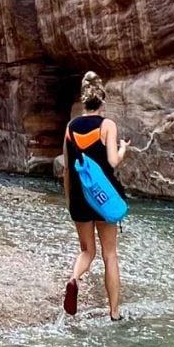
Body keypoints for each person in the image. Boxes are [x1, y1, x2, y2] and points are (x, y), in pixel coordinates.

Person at [62, 71, 129, 320]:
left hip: (80, 197)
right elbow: (113, 161)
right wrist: (123, 149)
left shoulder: (70, 128)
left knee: (86, 252)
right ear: (102, 100)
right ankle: (114, 312)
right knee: (109, 254)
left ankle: (74, 278)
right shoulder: (107, 125)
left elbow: (67, 168)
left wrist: (69, 200)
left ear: (83, 101)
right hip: (103, 199)